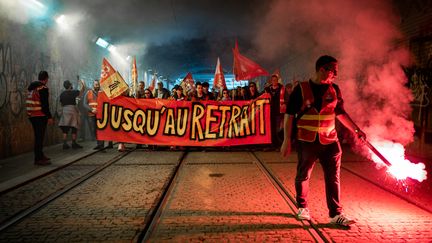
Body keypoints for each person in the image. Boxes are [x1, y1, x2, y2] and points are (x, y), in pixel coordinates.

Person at [280, 55, 366, 226]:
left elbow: (340, 113)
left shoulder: (335, 89)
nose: (335, 74)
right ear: (322, 70)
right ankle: (302, 208)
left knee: (333, 178)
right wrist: (286, 140)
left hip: (330, 141)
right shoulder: (301, 89)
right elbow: (289, 115)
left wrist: (356, 130)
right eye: (333, 71)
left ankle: (336, 214)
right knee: (303, 175)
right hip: (307, 141)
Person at [26, 71, 53, 165]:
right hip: (40, 116)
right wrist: (49, 117)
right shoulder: (43, 88)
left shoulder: (31, 88)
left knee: (38, 137)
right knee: (39, 138)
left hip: (32, 116)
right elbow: (45, 105)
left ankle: (40, 155)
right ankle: (38, 158)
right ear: (46, 79)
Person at [84, 80, 113, 150]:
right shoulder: (88, 93)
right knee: (94, 130)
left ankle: (101, 145)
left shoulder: (103, 93)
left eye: (98, 84)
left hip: (101, 114)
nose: (97, 86)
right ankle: (99, 144)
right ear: (93, 85)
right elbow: (84, 104)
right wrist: (91, 109)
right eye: (96, 84)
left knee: (101, 129)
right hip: (91, 114)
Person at [58, 80, 84, 149]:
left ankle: (64, 144)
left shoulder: (62, 94)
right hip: (72, 111)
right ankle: (74, 143)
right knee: (74, 127)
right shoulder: (73, 92)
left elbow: (61, 103)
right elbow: (81, 92)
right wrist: (83, 84)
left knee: (65, 129)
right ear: (70, 85)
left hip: (65, 111)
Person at [265, 74, 285, 150]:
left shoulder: (282, 89)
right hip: (270, 112)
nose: (274, 81)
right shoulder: (268, 89)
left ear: (277, 80)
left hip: (278, 112)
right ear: (271, 81)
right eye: (273, 80)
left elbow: (285, 99)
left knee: (277, 129)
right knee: (271, 129)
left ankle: (278, 145)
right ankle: (272, 144)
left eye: (275, 80)